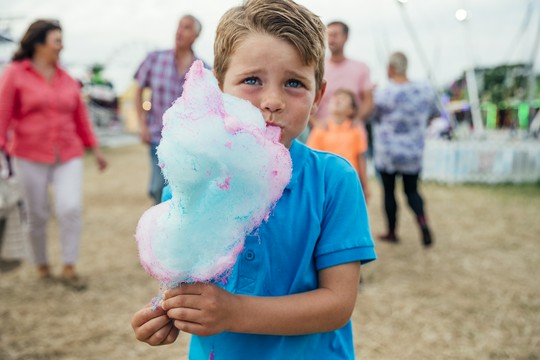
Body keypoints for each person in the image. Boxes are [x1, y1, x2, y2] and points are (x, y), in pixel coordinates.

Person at [131, 1, 376, 359]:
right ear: (217, 88)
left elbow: (337, 304)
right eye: (252, 80)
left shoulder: (333, 181)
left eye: (294, 83)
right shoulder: (192, 181)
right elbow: (190, 285)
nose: (273, 101)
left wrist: (233, 312)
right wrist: (164, 313)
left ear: (318, 96)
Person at [0, 19, 108, 288]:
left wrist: (95, 149)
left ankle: (69, 265)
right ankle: (42, 264)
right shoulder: (14, 73)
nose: (61, 46)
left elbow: (80, 117)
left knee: (70, 208)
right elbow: (3, 113)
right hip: (28, 153)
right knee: (37, 214)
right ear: (39, 43)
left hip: (68, 153)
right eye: (57, 40)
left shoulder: (67, 77)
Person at [134, 15, 209, 204]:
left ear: (196, 36)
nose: (179, 31)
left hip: (186, 143)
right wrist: (141, 124)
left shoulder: (203, 70)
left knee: (179, 188)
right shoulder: (154, 59)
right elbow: (138, 90)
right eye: (178, 26)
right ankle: (156, 224)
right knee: (159, 186)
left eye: (186, 27)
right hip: (157, 137)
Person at [371, 51, 439, 247]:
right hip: (413, 151)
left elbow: (371, 117)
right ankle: (423, 222)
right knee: (412, 190)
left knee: (389, 192)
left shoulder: (383, 93)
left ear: (390, 69)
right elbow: (434, 114)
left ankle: (392, 231)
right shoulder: (425, 90)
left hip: (387, 152)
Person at [307, 88, 370, 201]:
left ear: (351, 110)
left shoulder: (356, 130)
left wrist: (365, 186)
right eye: (336, 97)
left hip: (350, 182)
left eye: (344, 99)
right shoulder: (320, 129)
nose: (338, 100)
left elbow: (361, 158)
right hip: (325, 183)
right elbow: (312, 160)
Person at [316, 21, 373, 125]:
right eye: (329, 35)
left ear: (346, 37)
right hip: (323, 133)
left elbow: (368, 101)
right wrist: (315, 122)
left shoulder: (361, 67)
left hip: (351, 133)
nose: (332, 39)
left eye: (336, 35)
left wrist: (356, 120)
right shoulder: (317, 67)